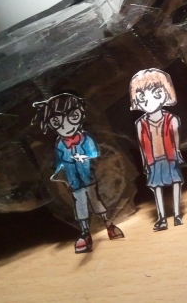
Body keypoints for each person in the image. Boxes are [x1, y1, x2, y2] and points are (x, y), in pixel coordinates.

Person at [32, 93, 124, 253]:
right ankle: (85, 232)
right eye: (57, 122)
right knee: (80, 205)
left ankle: (108, 224)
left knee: (95, 200)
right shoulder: (60, 144)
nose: (66, 126)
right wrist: (58, 174)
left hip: (89, 178)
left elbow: (94, 153)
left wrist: (84, 157)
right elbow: (59, 162)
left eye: (73, 117)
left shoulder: (86, 139)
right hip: (73, 182)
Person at [130, 69, 186, 231]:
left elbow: (176, 141)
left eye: (155, 93)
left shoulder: (172, 119)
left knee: (176, 183)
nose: (148, 100)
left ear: (167, 92)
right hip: (153, 161)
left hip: (170, 158)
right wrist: (145, 163)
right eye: (142, 97)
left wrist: (178, 155)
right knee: (156, 188)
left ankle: (177, 214)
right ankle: (161, 217)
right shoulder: (140, 124)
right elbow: (142, 145)